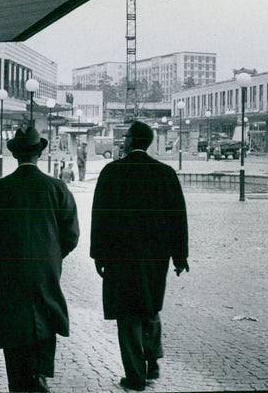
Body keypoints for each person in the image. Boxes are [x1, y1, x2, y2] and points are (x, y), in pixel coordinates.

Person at [0, 126, 79, 392]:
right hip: (46, 271)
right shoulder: (57, 188)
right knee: (45, 320)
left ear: (15, 155)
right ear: (40, 153)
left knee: (12, 326)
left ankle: (20, 382)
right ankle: (40, 374)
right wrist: (54, 256)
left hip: (8, 274)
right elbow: (71, 234)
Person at [90, 120, 189, 392]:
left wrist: (98, 255)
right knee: (149, 305)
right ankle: (153, 358)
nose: (122, 142)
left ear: (132, 141)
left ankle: (135, 375)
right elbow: (178, 218)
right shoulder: (165, 173)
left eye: (125, 138)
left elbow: (100, 217)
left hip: (121, 258)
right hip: (156, 258)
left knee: (127, 315)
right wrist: (180, 257)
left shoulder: (111, 172)